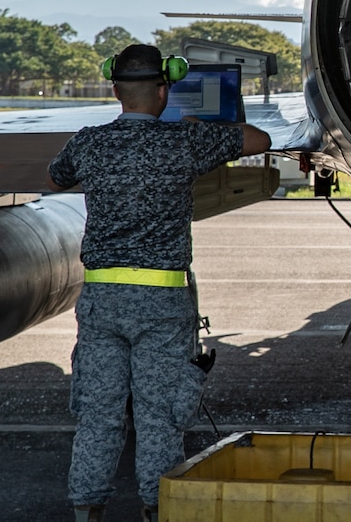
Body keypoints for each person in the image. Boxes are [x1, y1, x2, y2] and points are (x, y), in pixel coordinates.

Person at [46, 44, 271, 522]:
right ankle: (156, 509)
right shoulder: (182, 144)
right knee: (160, 419)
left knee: (99, 417)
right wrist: (199, 131)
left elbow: (58, 174)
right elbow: (259, 139)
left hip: (102, 301)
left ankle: (87, 510)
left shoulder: (90, 142)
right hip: (162, 302)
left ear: (115, 90)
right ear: (164, 90)